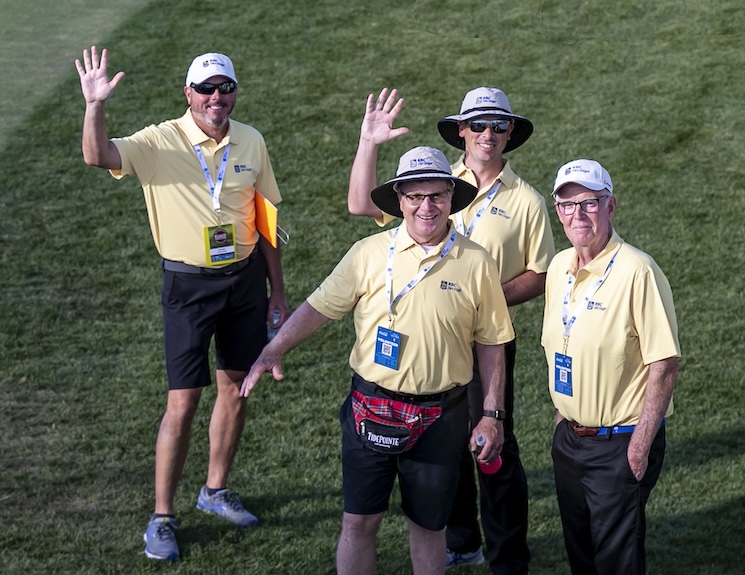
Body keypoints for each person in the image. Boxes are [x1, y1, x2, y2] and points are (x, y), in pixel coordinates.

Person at [241, 146, 515, 575]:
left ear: (451, 198)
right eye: (416, 196)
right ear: (400, 199)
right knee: (359, 522)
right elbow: (319, 306)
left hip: (440, 416)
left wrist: (492, 414)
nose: (427, 207)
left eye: (437, 196)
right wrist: (274, 349)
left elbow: (492, 342)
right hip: (369, 407)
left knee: (430, 528)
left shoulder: (477, 262)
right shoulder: (367, 253)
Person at [75, 46, 291, 561]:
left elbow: (266, 222)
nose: (217, 98)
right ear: (188, 94)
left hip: (244, 282)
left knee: (237, 388)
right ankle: (163, 515)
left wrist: (277, 292)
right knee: (183, 402)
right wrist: (94, 106)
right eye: (207, 89)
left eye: (226, 88)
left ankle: (214, 490)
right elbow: (97, 155)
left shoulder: (251, 140)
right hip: (188, 289)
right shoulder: (158, 141)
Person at [347, 87, 555, 574]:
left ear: (511, 134)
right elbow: (361, 205)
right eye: (478, 125)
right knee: (445, 447)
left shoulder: (527, 201)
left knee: (495, 448)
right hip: (426, 339)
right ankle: (462, 542)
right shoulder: (433, 180)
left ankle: (508, 559)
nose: (488, 134)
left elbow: (540, 274)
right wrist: (368, 143)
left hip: (486, 340)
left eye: (499, 125)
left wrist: (476, 297)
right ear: (460, 130)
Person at [541, 159, 680, 574]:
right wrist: (563, 414)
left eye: (589, 203)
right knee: (580, 552)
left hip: (620, 443)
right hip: (570, 439)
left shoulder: (638, 270)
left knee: (616, 561)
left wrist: (639, 444)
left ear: (611, 206)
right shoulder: (558, 268)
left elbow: (665, 363)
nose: (578, 215)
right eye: (567, 205)